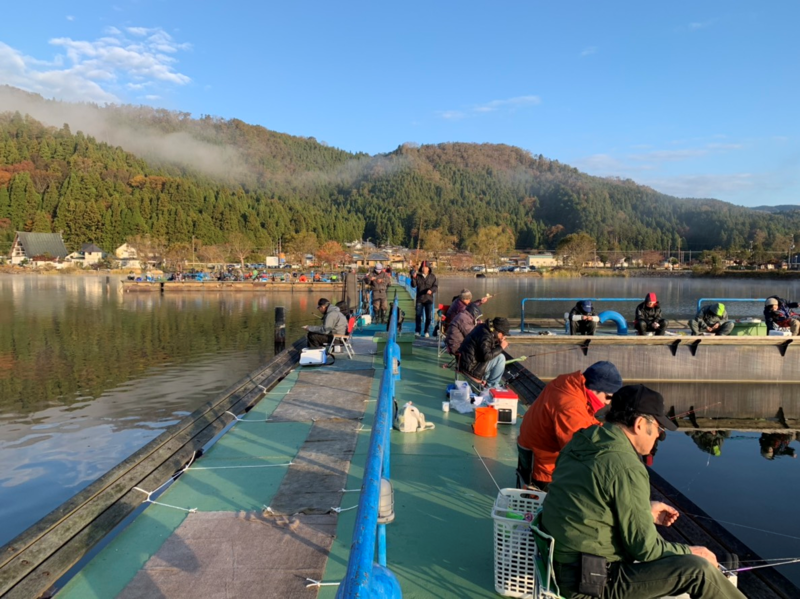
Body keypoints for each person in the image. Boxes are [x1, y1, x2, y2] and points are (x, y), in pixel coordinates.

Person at [540, 384, 744, 599]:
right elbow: (645, 549)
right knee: (699, 571)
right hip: (592, 584)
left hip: (561, 566)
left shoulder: (583, 440)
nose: (658, 436)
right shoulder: (626, 466)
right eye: (659, 429)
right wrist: (695, 552)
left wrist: (644, 511)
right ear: (639, 424)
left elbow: (590, 504)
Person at [517, 361, 623, 491]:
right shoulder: (570, 406)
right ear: (594, 389)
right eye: (608, 397)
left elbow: (584, 419)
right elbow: (580, 451)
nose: (607, 403)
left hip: (534, 459)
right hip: (546, 473)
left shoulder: (567, 384)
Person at [456, 317, 510, 388]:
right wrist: (501, 347)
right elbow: (486, 356)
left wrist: (497, 342)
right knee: (501, 358)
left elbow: (486, 349)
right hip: (471, 368)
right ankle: (491, 386)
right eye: (503, 334)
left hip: (466, 363)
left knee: (496, 356)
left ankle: (487, 381)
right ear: (498, 331)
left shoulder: (483, 328)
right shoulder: (486, 336)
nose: (503, 336)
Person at [410, 260, 438, 337]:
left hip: (429, 299)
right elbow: (413, 285)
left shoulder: (432, 277)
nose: (424, 269)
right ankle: (417, 331)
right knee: (418, 316)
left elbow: (435, 286)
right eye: (423, 267)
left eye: (426, 267)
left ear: (429, 268)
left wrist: (431, 290)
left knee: (428, 317)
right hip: (420, 298)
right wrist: (413, 278)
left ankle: (427, 331)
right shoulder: (418, 276)